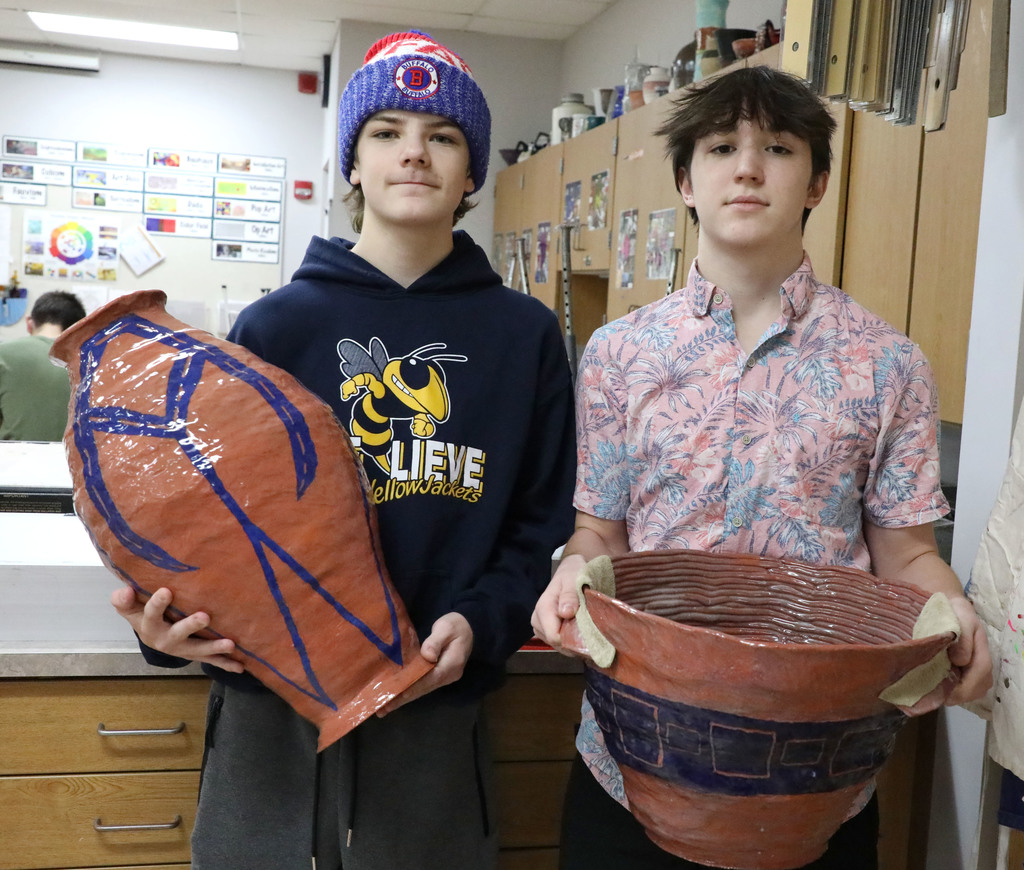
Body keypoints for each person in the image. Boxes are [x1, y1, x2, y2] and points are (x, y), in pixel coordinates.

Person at [112, 30, 576, 870]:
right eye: (387, 132)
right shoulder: (274, 326)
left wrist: (483, 622)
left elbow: (539, 527)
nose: (414, 153)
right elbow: (201, 519)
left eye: (442, 136)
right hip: (269, 717)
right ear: (353, 165)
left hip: (433, 710)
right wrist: (168, 626)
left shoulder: (525, 336)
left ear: (471, 173)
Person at [530, 65, 992, 870]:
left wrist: (952, 608)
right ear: (686, 182)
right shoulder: (618, 354)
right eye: (720, 148)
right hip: (637, 753)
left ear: (816, 183)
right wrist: (574, 571)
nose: (747, 167)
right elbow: (600, 532)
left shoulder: (888, 364)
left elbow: (907, 552)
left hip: (820, 766)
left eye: (777, 148)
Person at [0, 289, 85, 440]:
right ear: (78, 330)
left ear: (29, 322)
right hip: (74, 455)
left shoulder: (3, 353)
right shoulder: (94, 363)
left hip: (13, 453)